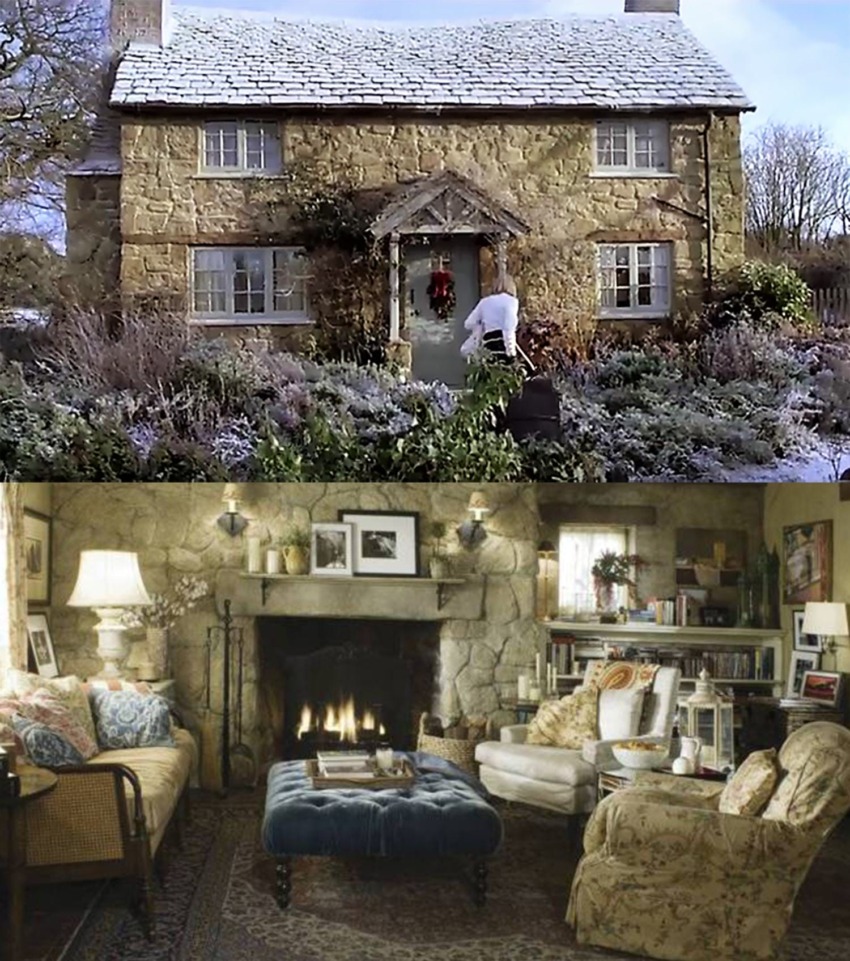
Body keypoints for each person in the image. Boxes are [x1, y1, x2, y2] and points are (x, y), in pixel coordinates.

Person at [461, 275, 519, 362]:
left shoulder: (484, 302)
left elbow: (468, 323)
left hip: (488, 341)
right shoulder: (512, 301)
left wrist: (481, 325)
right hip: (503, 342)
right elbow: (508, 327)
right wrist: (511, 352)